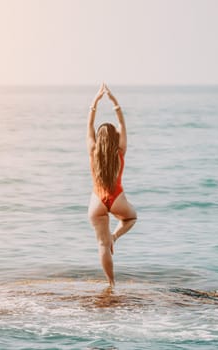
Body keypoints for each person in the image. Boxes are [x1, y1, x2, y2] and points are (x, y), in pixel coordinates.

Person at [87, 82, 137, 287]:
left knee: (102, 244)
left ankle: (111, 284)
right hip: (116, 198)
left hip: (97, 201)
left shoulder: (93, 150)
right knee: (131, 217)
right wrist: (115, 103)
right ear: (115, 138)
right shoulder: (120, 151)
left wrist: (95, 102)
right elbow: (122, 125)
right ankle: (115, 236)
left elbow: (88, 126)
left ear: (99, 139)